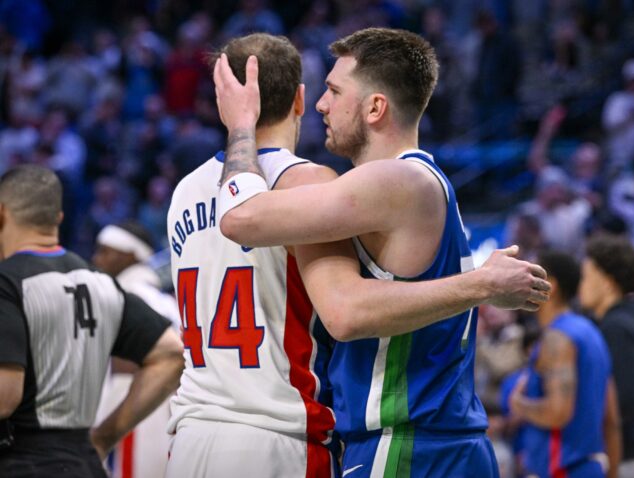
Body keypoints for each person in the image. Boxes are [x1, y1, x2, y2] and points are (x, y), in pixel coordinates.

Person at [167, 33, 551, 478]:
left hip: (407, 444)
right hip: (418, 440)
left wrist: (240, 124)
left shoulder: (395, 181)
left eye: (334, 92)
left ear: (374, 108)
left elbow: (243, 220)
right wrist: (480, 284)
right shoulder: (404, 181)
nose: (321, 107)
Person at [0, 165, 184, 478]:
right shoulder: (103, 283)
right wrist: (105, 436)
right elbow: (171, 353)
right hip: (85, 463)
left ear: (2, 214)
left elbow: (6, 396)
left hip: (21, 463)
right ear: (57, 218)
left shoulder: (7, 283)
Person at [509, 251, 621, 478]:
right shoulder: (591, 332)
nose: (520, 284)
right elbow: (612, 421)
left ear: (550, 284)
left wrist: (519, 404)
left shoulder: (558, 337)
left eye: (529, 277)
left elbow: (557, 413)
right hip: (592, 468)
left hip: (562, 470)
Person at [92, 220, 180, 478]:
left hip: (137, 411)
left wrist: (100, 427)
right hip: (165, 409)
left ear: (128, 254)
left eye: (104, 251)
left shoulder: (128, 294)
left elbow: (126, 371)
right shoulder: (163, 298)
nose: (96, 258)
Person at [579, 234, 634, 478]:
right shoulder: (624, 322)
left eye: (586, 277)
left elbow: (622, 401)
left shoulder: (617, 327)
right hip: (632, 456)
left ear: (607, 282)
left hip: (625, 459)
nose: (580, 285)